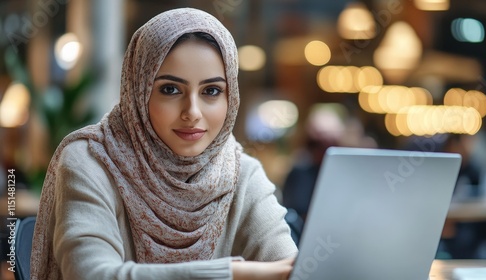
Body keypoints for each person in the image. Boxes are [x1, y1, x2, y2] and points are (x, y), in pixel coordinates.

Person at [31, 8, 297, 280]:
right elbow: (90, 275)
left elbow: (294, 267)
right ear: (138, 91)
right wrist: (233, 273)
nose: (192, 111)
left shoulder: (240, 172)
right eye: (170, 89)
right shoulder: (90, 159)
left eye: (211, 91)